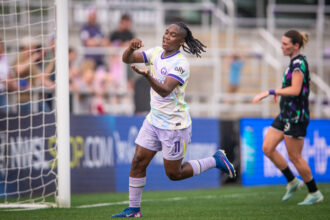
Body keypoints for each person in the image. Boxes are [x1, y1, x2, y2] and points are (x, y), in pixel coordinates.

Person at [112, 22, 236, 218]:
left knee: (174, 174)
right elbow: (127, 59)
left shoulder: (180, 64)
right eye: (166, 33)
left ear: (182, 41)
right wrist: (130, 48)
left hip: (174, 126)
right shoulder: (154, 52)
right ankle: (134, 210)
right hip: (153, 120)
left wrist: (147, 76)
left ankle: (215, 160)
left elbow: (164, 90)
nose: (166, 37)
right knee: (137, 161)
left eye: (172, 35)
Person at [252, 30, 324, 205]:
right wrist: (281, 92)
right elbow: (291, 87)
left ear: (296, 46)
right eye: (282, 43)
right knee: (267, 148)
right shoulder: (293, 63)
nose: (281, 46)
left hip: (296, 116)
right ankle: (292, 181)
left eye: (285, 44)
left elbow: (296, 90)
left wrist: (271, 92)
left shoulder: (299, 63)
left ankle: (314, 193)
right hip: (285, 114)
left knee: (295, 156)